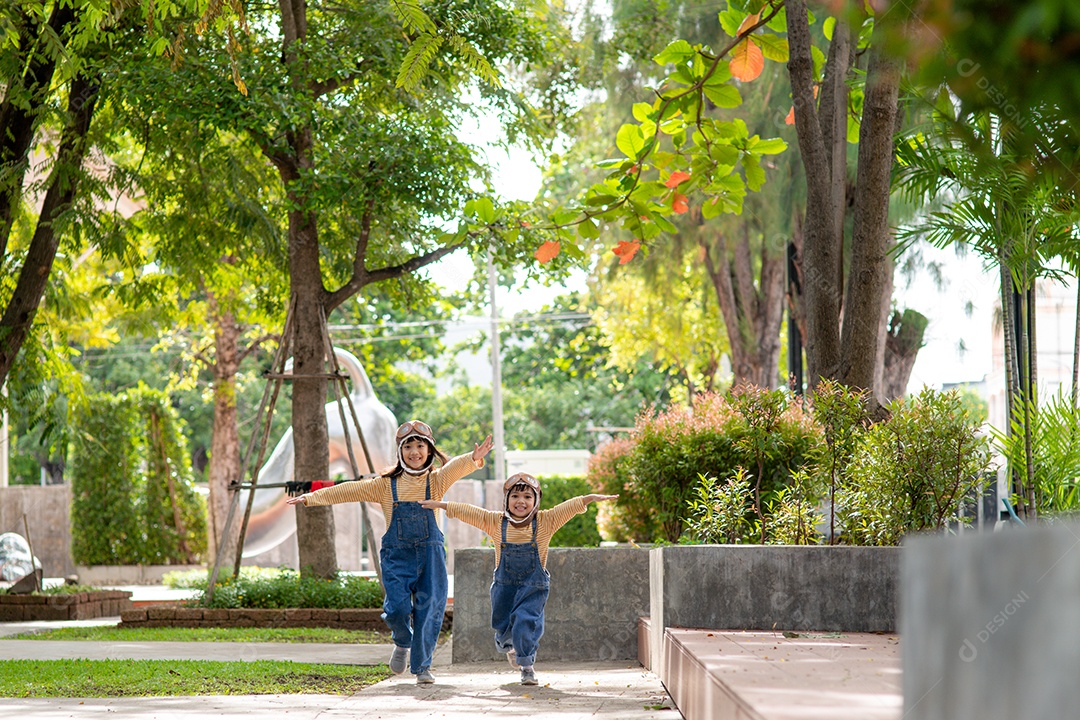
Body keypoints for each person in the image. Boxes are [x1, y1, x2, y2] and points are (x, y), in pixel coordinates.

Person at [287, 420, 493, 684]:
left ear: (430, 451)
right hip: (397, 557)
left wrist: (473, 458)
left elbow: (455, 467)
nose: (415, 452)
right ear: (400, 451)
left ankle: (422, 667)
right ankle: (402, 641)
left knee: (429, 609)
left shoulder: (437, 481)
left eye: (421, 446)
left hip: (431, 557)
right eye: (409, 446)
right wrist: (311, 498)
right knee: (396, 609)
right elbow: (349, 490)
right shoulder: (384, 485)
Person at [420, 473, 617, 686]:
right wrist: (441, 504)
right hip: (504, 588)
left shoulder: (545, 522)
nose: (521, 501)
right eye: (515, 496)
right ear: (506, 500)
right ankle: (510, 646)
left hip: (533, 587)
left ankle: (527, 667)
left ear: (536, 501)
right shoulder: (496, 522)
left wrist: (589, 498)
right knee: (503, 627)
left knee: (526, 622)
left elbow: (567, 508)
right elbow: (470, 512)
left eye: (527, 497)